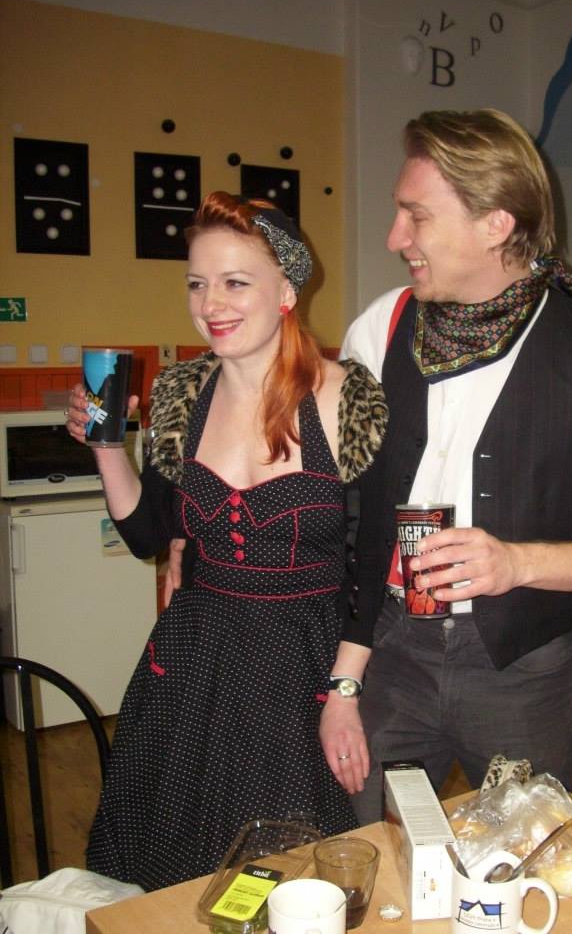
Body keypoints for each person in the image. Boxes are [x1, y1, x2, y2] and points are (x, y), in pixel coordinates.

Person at [317, 108, 572, 825]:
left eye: (416, 215)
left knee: (520, 856)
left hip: (522, 671)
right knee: (366, 845)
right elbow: (332, 489)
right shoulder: (379, 329)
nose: (395, 237)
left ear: (496, 223)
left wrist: (515, 562)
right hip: (390, 652)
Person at [65, 191, 387, 889]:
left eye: (235, 282)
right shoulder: (182, 394)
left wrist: (344, 692)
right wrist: (106, 447)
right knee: (172, 864)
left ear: (286, 292)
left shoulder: (348, 400)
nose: (211, 304)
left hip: (301, 668)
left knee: (288, 870)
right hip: (193, 661)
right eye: (197, 283)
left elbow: (373, 564)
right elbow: (150, 533)